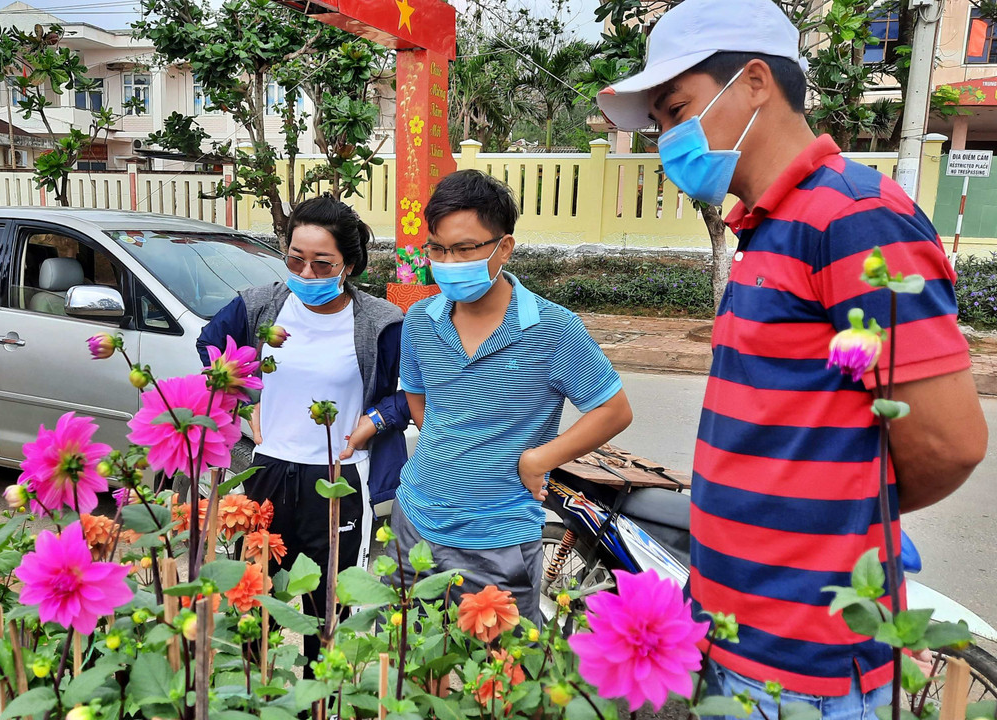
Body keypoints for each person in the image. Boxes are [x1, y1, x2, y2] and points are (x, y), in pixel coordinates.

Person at [597, 0, 988, 714]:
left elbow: (948, 442)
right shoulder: (770, 228)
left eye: (676, 111)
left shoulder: (854, 217)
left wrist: (838, 524)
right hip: (738, 636)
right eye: (659, 125)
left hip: (807, 662)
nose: (668, 140)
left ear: (754, 82)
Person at [379, 169, 631, 625]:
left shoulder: (553, 329)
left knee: (498, 666)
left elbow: (613, 410)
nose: (449, 262)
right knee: (401, 657)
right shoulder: (419, 320)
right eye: (437, 249)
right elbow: (419, 402)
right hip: (413, 522)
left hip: (499, 541)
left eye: (465, 249)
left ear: (504, 247)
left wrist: (539, 460)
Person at [196, 195, 409, 670]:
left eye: (322, 263)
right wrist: (243, 398)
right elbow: (210, 346)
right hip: (268, 473)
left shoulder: (380, 322)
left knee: (328, 612)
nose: (306, 274)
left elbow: (411, 391)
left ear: (349, 264)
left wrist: (375, 421)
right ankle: (253, 691)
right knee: (253, 603)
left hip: (339, 480)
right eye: (295, 259)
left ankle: (322, 697)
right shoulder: (260, 306)